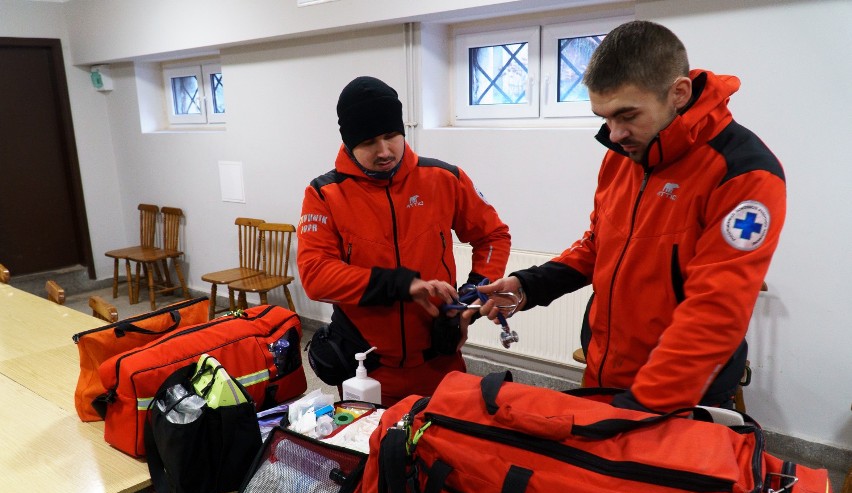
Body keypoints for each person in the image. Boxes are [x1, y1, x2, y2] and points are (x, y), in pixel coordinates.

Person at [478, 20, 786, 413]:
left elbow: (715, 312)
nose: (615, 133)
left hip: (678, 396)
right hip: (604, 374)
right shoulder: (623, 154)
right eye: (604, 117)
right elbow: (598, 244)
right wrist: (529, 285)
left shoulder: (743, 171)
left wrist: (640, 407)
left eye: (627, 115)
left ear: (678, 93)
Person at [297, 76, 511, 406]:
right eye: (369, 142)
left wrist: (472, 293)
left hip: (440, 362)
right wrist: (400, 284)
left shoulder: (444, 178)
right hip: (367, 370)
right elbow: (316, 276)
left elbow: (493, 235)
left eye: (391, 136)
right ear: (349, 143)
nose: (384, 151)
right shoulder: (324, 194)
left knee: (443, 449)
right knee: (374, 454)